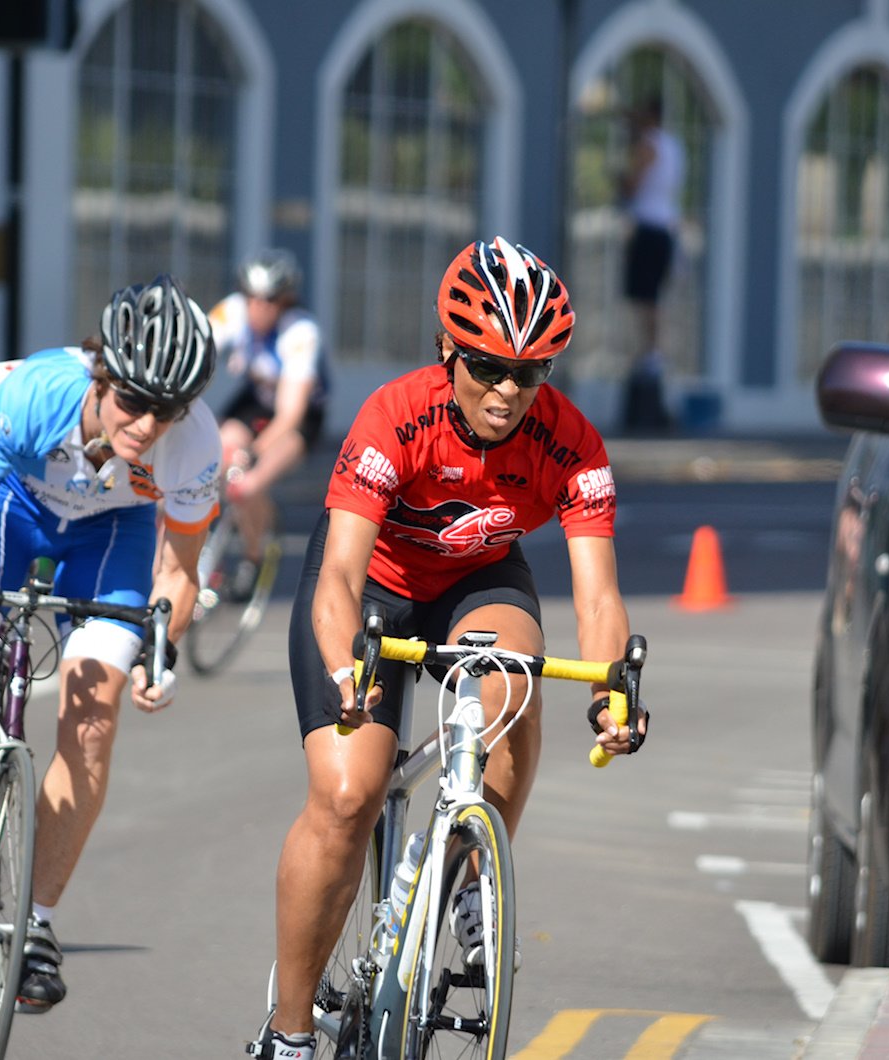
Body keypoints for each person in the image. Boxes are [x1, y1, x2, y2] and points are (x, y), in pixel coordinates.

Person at [260, 237, 649, 1060]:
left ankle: (472, 873)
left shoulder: (572, 445)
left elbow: (599, 596)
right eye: (487, 366)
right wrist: (345, 675)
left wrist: (611, 694)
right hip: (371, 582)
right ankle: (288, 1031)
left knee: (511, 691)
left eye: (531, 373)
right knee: (347, 795)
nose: (508, 392)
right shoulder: (395, 416)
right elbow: (336, 575)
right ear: (448, 349)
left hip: (475, 578)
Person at [0, 274, 222, 1012]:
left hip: (112, 535)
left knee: (91, 727)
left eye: (168, 410)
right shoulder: (33, 394)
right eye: (133, 400)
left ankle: (35, 922)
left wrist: (163, 651)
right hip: (17, 510)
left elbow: (179, 573)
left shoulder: (194, 446)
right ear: (101, 374)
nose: (147, 425)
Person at [206, 248, 329, 594]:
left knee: (246, 485)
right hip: (256, 402)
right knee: (217, 453)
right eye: (252, 298)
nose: (259, 308)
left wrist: (255, 453)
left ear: (285, 301)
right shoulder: (232, 310)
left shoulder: (301, 331)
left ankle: (252, 557)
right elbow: (197, 350)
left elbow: (290, 415)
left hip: (299, 414)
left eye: (270, 300)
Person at [618, 98, 683, 433]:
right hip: (667, 229)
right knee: (654, 297)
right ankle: (651, 355)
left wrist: (620, 179)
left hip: (648, 229)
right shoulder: (675, 147)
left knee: (645, 301)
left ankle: (649, 355)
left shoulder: (649, 146)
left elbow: (633, 184)